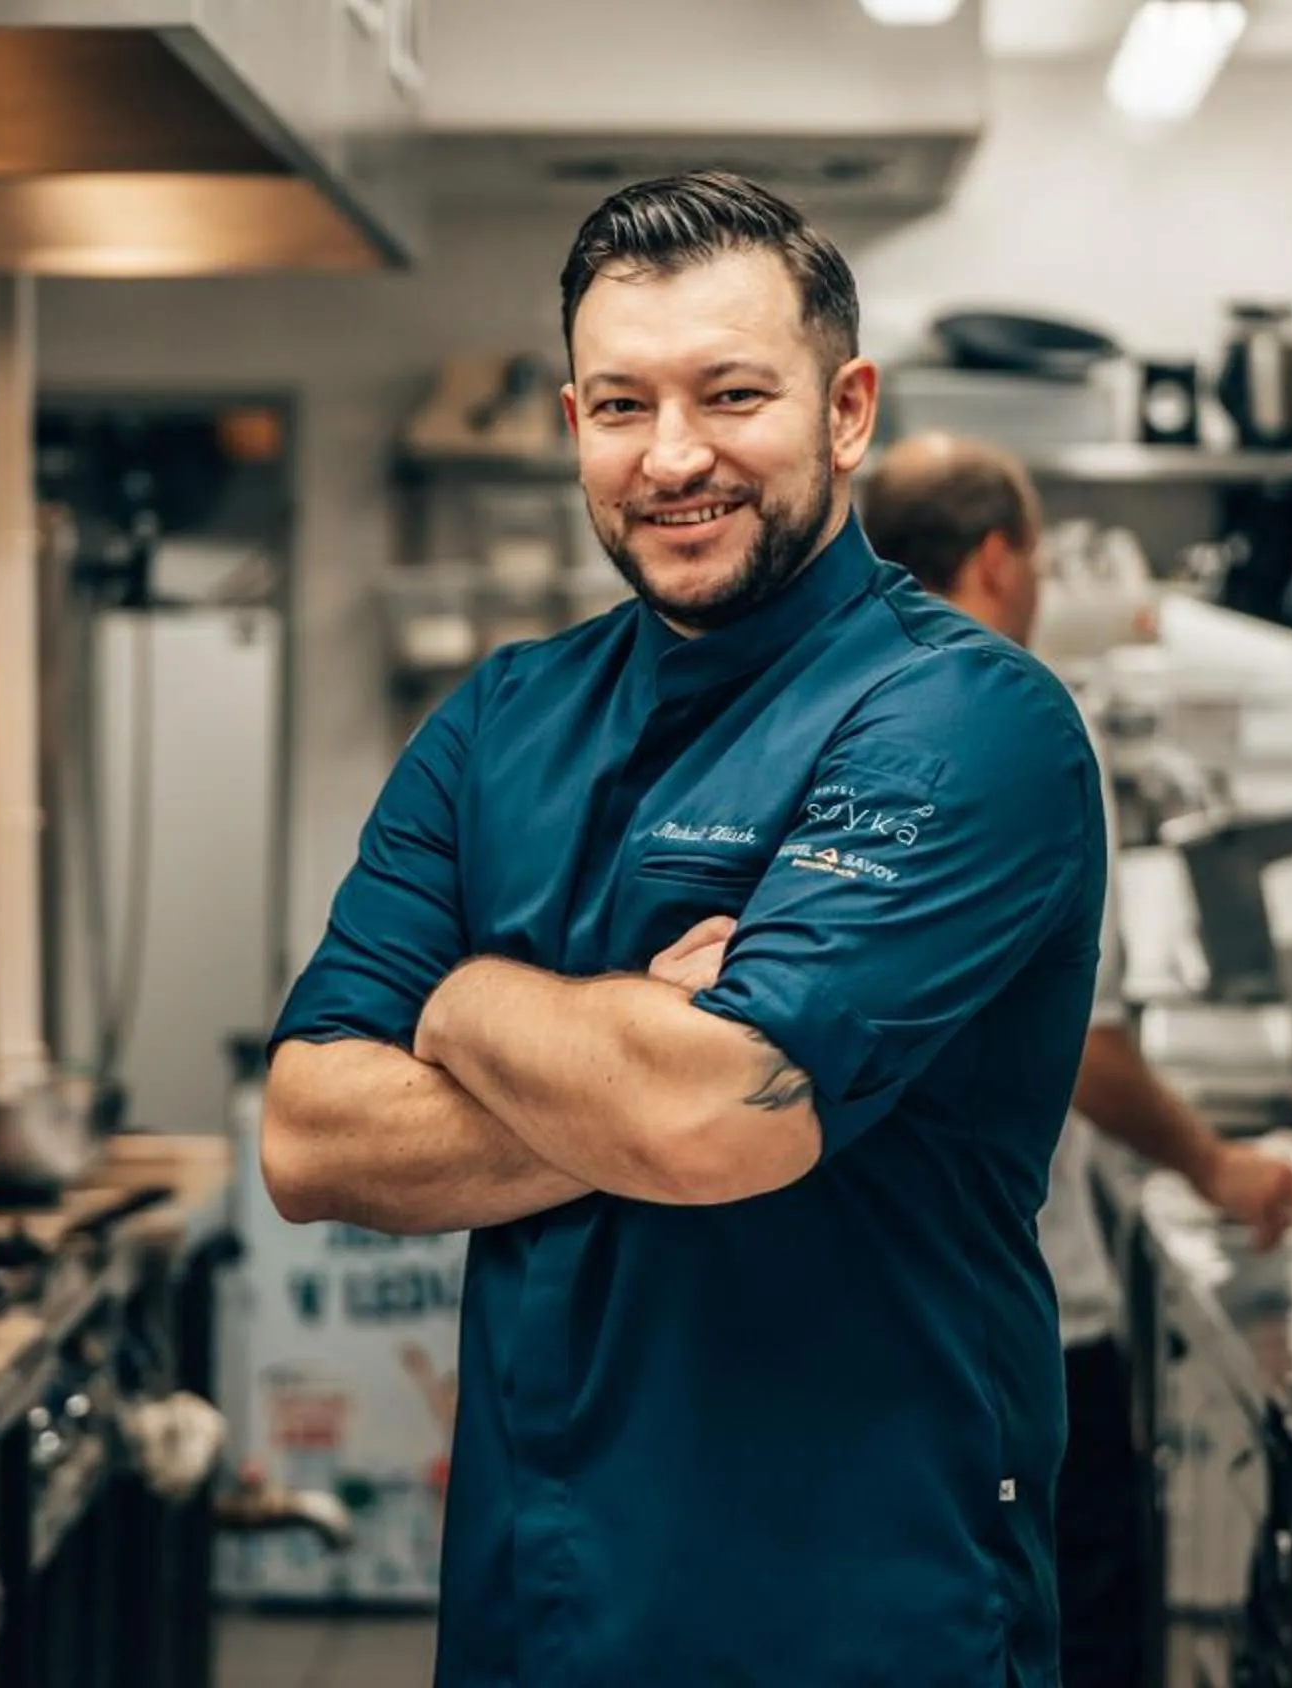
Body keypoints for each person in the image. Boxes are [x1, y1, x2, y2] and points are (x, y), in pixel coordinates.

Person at [261, 172, 1107, 1687]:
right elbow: (311, 1135)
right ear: (571, 423)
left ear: (848, 411)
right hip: (536, 1605)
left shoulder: (963, 716)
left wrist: (459, 1007)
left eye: (731, 394)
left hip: (863, 1610)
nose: (671, 456)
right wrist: (623, 1055)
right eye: (619, 405)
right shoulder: (500, 719)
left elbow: (719, 1116)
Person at [861, 431, 1292, 1688]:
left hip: (865, 1314)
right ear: (1002, 559)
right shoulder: (1024, 720)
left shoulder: (831, 712)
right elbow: (1081, 1042)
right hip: (1021, 1311)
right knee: (1065, 1641)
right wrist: (1216, 1163)